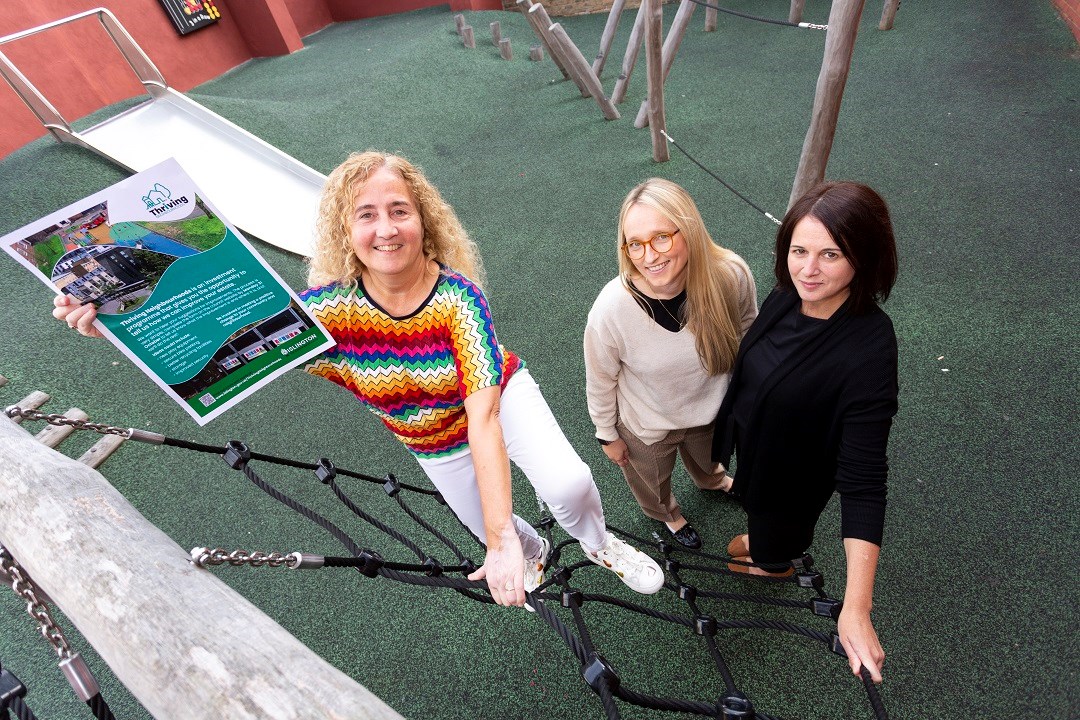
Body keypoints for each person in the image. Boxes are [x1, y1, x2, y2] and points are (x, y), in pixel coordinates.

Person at [53, 151, 666, 606]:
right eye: (366, 215)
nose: (385, 228)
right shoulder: (328, 312)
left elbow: (484, 416)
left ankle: (597, 542)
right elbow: (221, 337)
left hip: (499, 400)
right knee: (490, 528)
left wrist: (499, 533)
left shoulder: (457, 299)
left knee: (570, 481)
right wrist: (117, 323)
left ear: (424, 221)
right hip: (431, 441)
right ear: (346, 233)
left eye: (399, 211)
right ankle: (530, 552)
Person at [711, 180, 899, 683]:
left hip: (794, 480)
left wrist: (857, 607)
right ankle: (757, 539)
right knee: (752, 515)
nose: (808, 269)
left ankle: (771, 564)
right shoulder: (786, 295)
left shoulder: (870, 349)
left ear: (864, 258)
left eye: (830, 254)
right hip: (757, 452)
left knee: (773, 544)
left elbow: (864, 479)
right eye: (799, 250)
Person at [584, 178, 757, 549]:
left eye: (661, 236)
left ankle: (713, 480)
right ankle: (669, 516)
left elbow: (748, 329)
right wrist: (606, 435)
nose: (649, 256)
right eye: (635, 244)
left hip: (708, 411)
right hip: (647, 426)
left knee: (709, 460)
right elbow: (600, 379)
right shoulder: (611, 308)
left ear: (689, 229)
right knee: (652, 482)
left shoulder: (731, 275)